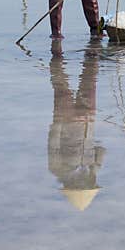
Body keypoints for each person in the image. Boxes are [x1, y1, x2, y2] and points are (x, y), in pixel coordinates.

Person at [47, 43, 104, 212]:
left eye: (84, 184)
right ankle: (63, 57)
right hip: (85, 117)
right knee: (87, 81)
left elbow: (53, 141)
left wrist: (57, 122)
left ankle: (65, 58)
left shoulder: (57, 168)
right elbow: (101, 150)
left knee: (64, 84)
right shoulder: (88, 169)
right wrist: (95, 167)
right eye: (87, 184)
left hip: (68, 119)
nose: (85, 182)